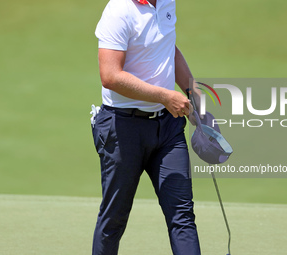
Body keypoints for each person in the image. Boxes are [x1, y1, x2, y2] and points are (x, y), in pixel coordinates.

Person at [92, 0, 201, 254]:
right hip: (122, 127)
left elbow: (168, 48)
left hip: (168, 128)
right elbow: (110, 75)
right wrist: (165, 95)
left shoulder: (166, 2)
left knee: (182, 216)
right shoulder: (119, 10)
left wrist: (194, 96)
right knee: (114, 219)